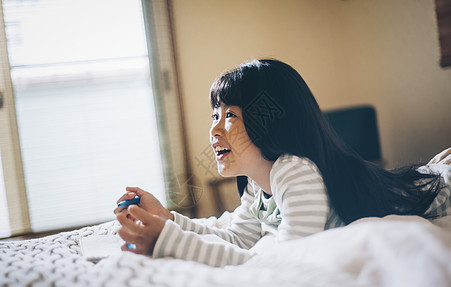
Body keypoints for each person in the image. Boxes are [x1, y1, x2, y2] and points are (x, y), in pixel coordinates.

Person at [114, 59, 451, 267]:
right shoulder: (259, 186)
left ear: (269, 122)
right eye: (215, 114)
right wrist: (168, 220)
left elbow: (282, 263)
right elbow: (236, 239)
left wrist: (168, 241)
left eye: (229, 115)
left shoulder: (295, 172)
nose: (214, 129)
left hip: (438, 189)